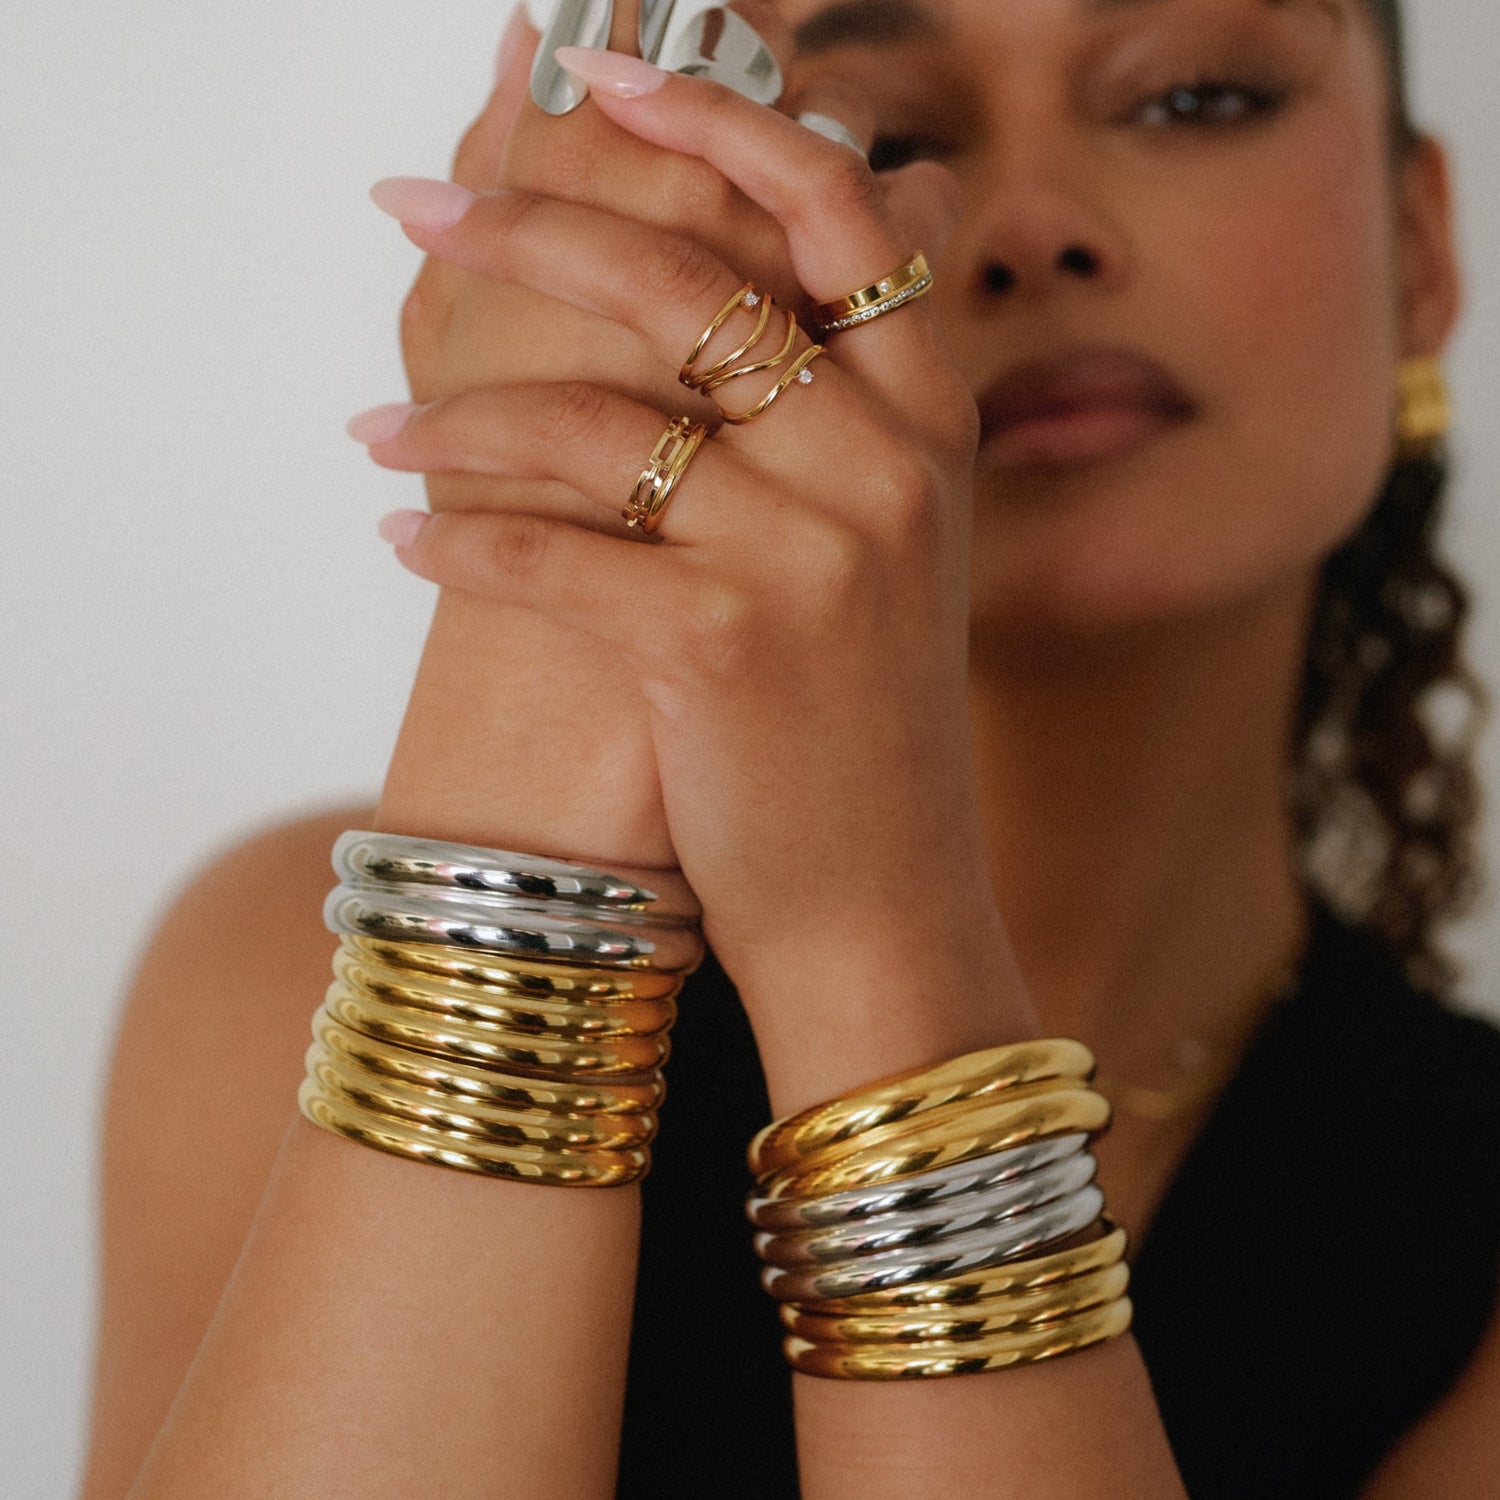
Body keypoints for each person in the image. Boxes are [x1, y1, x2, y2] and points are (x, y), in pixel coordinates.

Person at [79, 1, 1499, 1496]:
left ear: (1420, 250)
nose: (1034, 229)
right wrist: (542, 626)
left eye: (1194, 97)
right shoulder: (278, 987)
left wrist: (864, 936)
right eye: (884, 131)